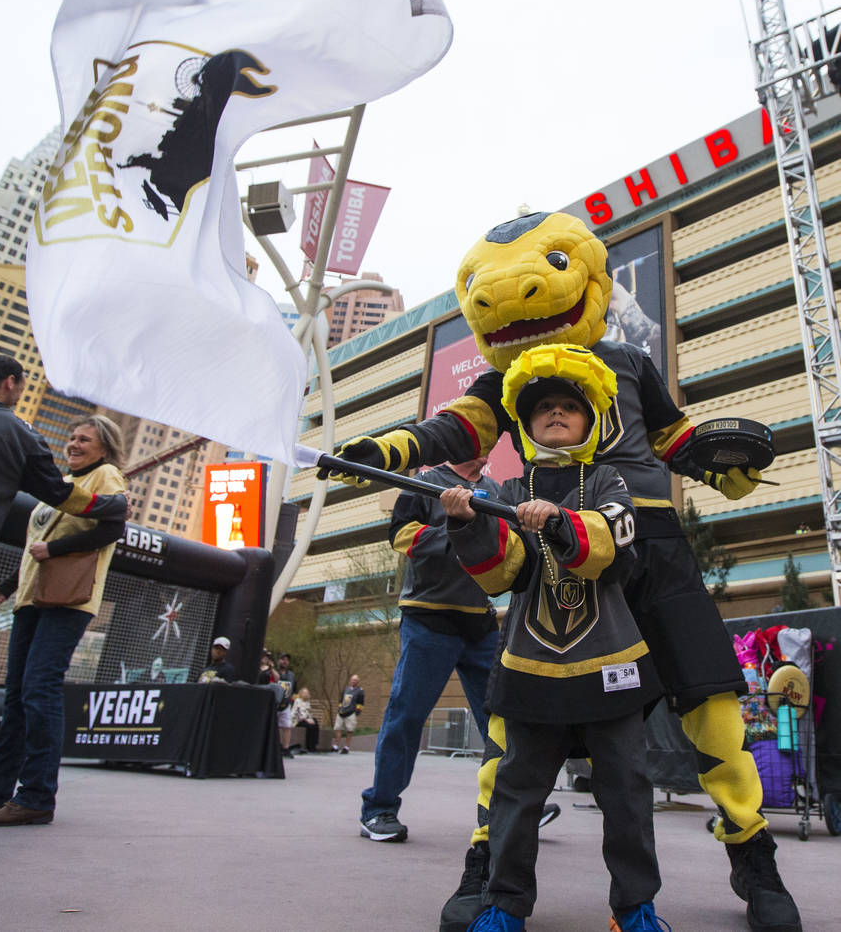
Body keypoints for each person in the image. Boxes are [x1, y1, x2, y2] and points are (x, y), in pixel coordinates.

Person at [330, 212, 800, 932]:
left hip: (655, 550)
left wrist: (721, 461)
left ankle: (752, 854)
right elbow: (450, 429)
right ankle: (487, 867)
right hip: (554, 550)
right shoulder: (504, 383)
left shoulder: (633, 365)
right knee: (512, 725)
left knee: (712, 706)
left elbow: (675, 438)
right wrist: (382, 449)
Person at [440, 344, 668, 932]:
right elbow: (502, 575)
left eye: (570, 405)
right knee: (517, 794)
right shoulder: (509, 492)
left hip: (611, 666)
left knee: (626, 793)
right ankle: (504, 905)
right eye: (545, 408)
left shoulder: (612, 479)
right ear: (527, 423)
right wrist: (467, 524)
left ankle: (635, 907)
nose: (558, 413)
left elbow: (615, 552)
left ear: (591, 420)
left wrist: (562, 522)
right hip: (529, 669)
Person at [0, 414, 127, 826]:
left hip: (69, 600)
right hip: (32, 599)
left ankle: (36, 796)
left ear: (104, 447)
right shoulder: (61, 487)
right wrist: (8, 586)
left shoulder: (106, 477)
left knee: (39, 689)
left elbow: (111, 531)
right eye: (71, 437)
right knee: (16, 697)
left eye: (84, 439)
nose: (73, 444)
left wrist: (55, 552)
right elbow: (39, 547)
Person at [359, 457, 504, 843]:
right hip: (428, 616)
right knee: (406, 714)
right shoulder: (425, 482)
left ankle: (509, 807)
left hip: (480, 618)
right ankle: (379, 808)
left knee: (502, 719)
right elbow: (400, 534)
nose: (484, 440)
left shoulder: (499, 490)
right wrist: (459, 533)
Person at [0, 354, 129, 621]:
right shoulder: (21, 436)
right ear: (9, 382)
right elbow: (60, 495)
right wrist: (115, 505)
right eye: (21, 389)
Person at [333, 674, 364, 753]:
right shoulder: (346, 689)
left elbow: (360, 704)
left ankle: (346, 747)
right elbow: (341, 700)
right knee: (338, 728)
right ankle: (336, 746)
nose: (354, 681)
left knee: (350, 730)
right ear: (350, 680)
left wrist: (356, 713)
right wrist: (339, 708)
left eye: (355, 680)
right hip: (341, 712)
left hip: (351, 713)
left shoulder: (360, 691)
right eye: (353, 680)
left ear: (358, 681)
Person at [276, 652, 298, 757]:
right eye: (283, 659)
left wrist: (292, 702)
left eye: (287, 660)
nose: (285, 661)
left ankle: (286, 748)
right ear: (278, 661)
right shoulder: (274, 673)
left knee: (287, 727)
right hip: (275, 705)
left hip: (286, 705)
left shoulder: (291, 675)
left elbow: (295, 691)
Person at [291, 687, 320, 753]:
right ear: (301, 693)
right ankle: (308, 745)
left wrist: (311, 719)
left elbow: (309, 713)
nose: (306, 694)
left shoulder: (307, 703)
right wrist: (307, 720)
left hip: (306, 719)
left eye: (307, 693)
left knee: (315, 724)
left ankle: (314, 745)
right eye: (304, 693)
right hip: (298, 720)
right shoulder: (297, 701)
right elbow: (297, 712)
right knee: (309, 726)